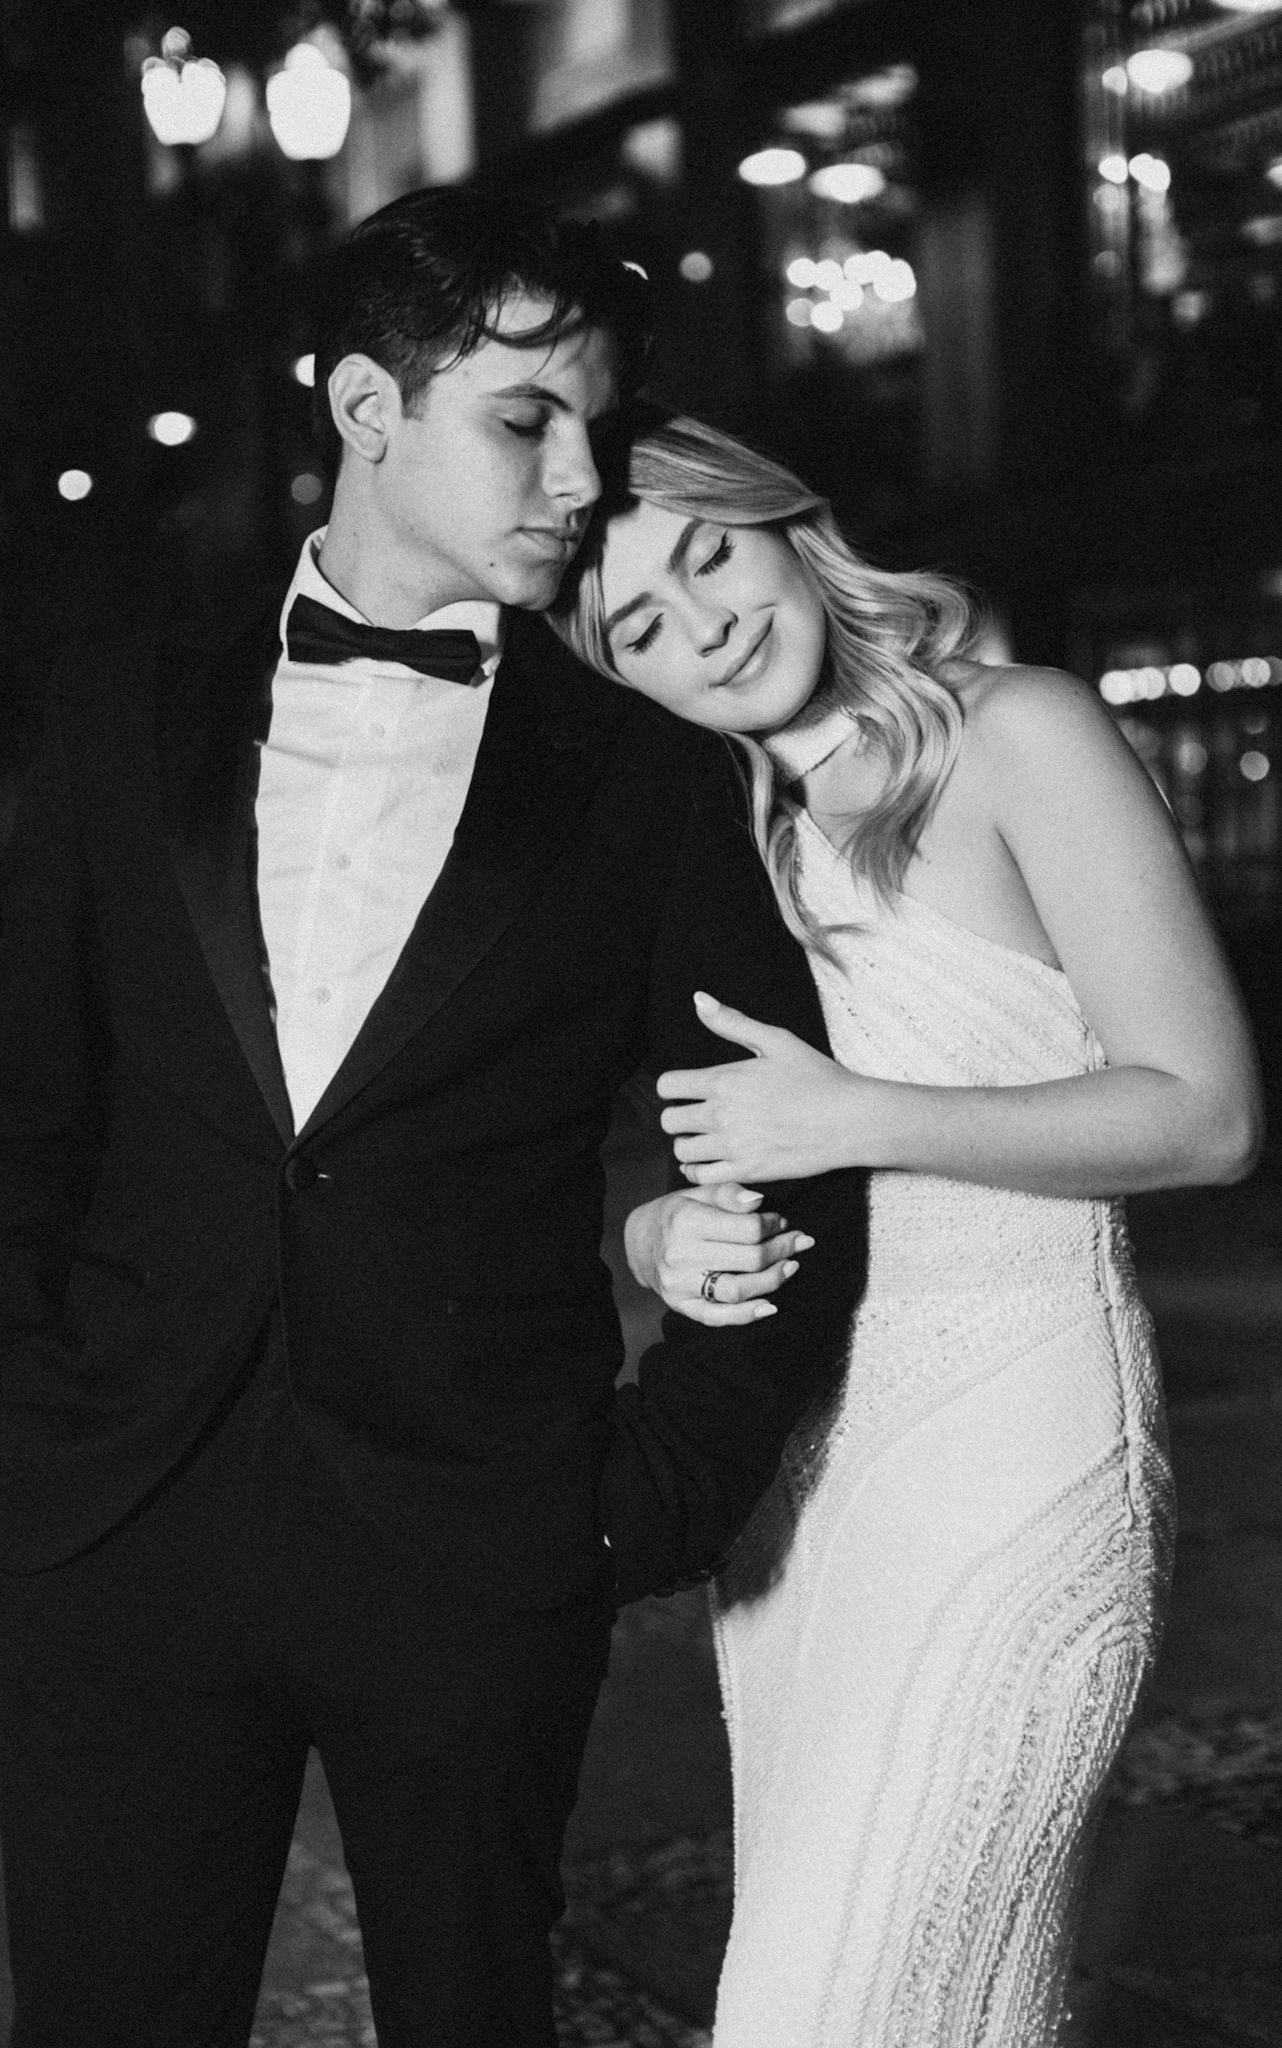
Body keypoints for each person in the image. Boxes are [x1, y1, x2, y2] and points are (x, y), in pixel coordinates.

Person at [0, 197, 866, 2048]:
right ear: (367, 406)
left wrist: (654, 1491)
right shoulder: (124, 712)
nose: (578, 478)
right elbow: (25, 1112)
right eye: (524, 421)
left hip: (479, 1539)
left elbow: (788, 1139)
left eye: (593, 425)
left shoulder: (646, 768)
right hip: (118, 1521)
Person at [548, 409, 1263, 2046]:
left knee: (822, 2007)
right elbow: (674, 1152)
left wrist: (860, 1117)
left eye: (707, 555)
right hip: (795, 1494)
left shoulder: (1019, 732)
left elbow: (1207, 1115)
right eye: (638, 624)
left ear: (784, 523)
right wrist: (660, 1239)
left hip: (1014, 1448)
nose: (704, 623)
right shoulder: (707, 838)